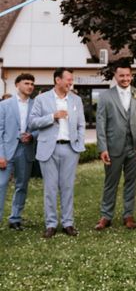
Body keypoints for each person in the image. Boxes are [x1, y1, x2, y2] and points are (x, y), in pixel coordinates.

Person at [29, 68, 85, 238]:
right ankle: (51, 224)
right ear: (57, 80)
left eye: (71, 79)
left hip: (70, 149)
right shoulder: (41, 99)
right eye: (68, 79)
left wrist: (79, 143)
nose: (70, 82)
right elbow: (32, 122)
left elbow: (81, 124)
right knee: (50, 188)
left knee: (67, 187)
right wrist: (52, 116)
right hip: (48, 149)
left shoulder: (76, 100)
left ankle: (68, 223)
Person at [95, 60, 136, 231]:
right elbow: (100, 123)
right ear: (115, 76)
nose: (125, 78)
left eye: (128, 75)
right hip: (113, 147)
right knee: (111, 182)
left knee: (131, 182)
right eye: (121, 75)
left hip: (134, 147)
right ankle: (106, 216)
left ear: (131, 76)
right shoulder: (105, 96)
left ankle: (128, 215)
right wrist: (103, 148)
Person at [0, 73, 36, 230]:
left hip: (26, 150)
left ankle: (15, 218)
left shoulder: (36, 105)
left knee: (22, 185)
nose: (30, 86)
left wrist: (32, 136)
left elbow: (40, 128)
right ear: (17, 85)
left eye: (32, 84)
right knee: (1, 184)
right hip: (7, 151)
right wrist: (0, 154)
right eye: (27, 83)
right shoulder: (4, 105)